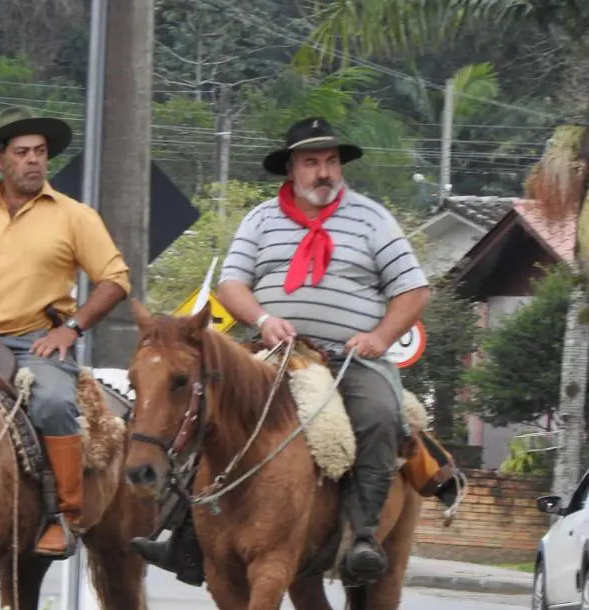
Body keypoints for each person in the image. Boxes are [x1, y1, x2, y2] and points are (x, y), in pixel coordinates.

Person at [136, 117, 430, 585]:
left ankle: (363, 537)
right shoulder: (261, 219)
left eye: (331, 161)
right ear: (291, 169)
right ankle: (186, 532)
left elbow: (413, 291)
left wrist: (379, 338)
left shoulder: (373, 218)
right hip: (274, 352)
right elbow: (232, 285)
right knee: (206, 408)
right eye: (311, 162)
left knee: (379, 415)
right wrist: (263, 319)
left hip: (350, 355)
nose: (324, 172)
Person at [0, 107, 132, 558]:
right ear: (0, 160)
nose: (34, 160)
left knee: (54, 403)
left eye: (40, 152)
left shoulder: (75, 216)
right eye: (22, 153)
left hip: (37, 341)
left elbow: (115, 280)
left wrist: (71, 330)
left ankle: (63, 515)